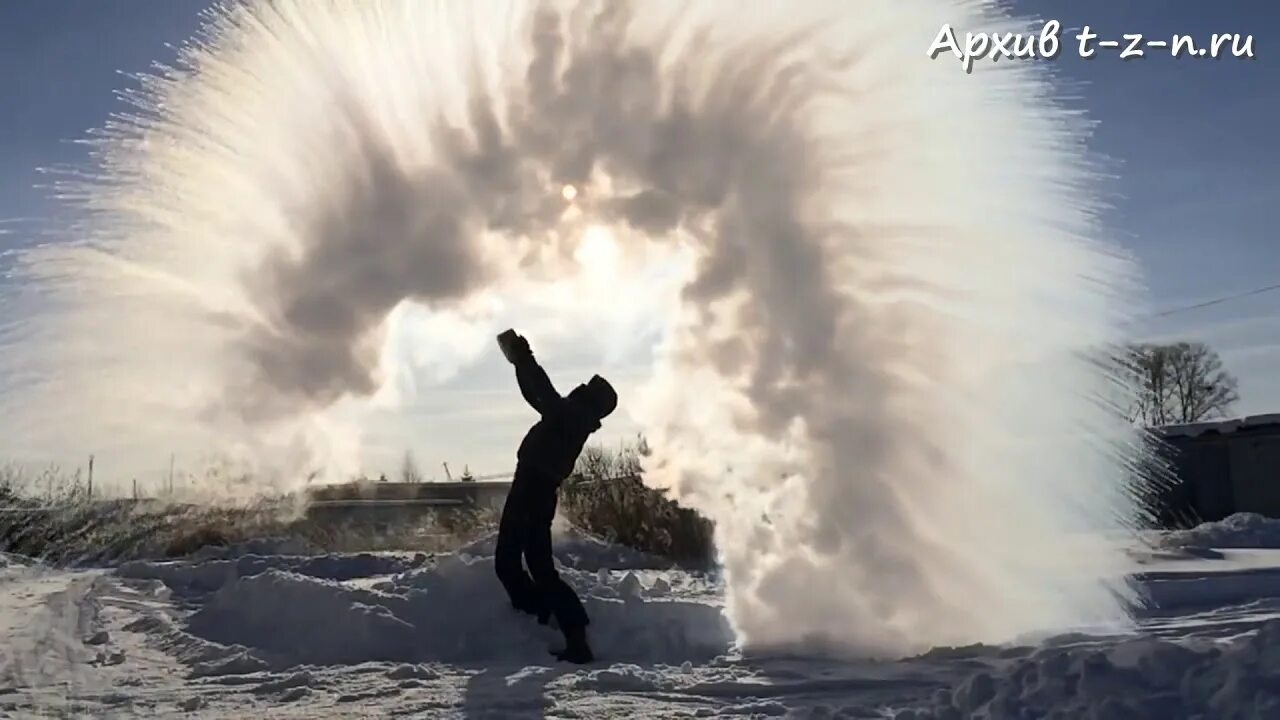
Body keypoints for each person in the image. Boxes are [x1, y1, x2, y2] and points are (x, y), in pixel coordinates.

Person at [494, 331, 617, 664]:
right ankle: (562, 627)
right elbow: (536, 396)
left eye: (587, 387)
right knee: (534, 566)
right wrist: (519, 362)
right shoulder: (570, 417)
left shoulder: (569, 416)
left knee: (511, 563)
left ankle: (553, 621)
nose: (580, 387)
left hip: (531, 490)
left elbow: (543, 392)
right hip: (536, 492)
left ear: (590, 398)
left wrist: (523, 355)